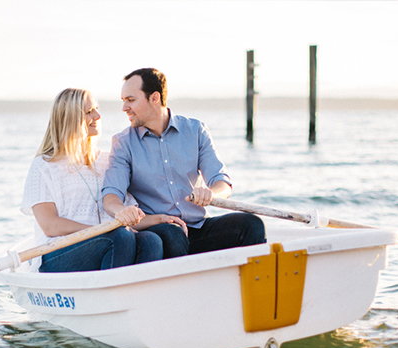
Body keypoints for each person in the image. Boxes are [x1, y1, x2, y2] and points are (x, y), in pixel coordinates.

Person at [102, 68, 266, 259]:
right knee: (173, 233)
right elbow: (111, 196)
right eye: (124, 101)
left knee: (251, 225)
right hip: (160, 230)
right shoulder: (123, 143)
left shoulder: (195, 130)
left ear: (154, 98)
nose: (124, 108)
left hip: (198, 227)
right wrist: (121, 211)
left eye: (131, 100)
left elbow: (222, 182)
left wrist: (211, 193)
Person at [20, 88, 163, 272]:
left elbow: (126, 214)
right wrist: (100, 231)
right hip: (58, 252)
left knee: (151, 241)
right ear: (68, 119)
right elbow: (50, 225)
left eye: (96, 109)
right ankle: (112, 296)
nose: (98, 115)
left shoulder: (109, 160)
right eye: (89, 112)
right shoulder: (45, 165)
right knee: (120, 237)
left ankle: (138, 298)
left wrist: (158, 219)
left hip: (110, 240)